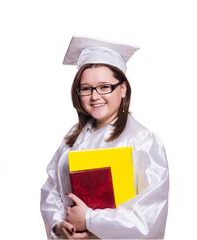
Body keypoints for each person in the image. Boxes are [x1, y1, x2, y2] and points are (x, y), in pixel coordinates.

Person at [40, 36, 169, 239]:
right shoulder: (72, 139)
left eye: (104, 86)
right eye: (86, 88)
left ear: (123, 89)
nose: (95, 96)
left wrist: (89, 219)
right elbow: (51, 190)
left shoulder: (142, 141)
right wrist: (59, 224)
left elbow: (149, 218)